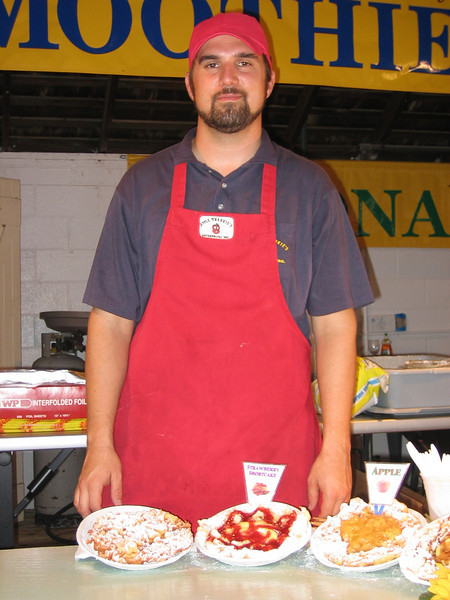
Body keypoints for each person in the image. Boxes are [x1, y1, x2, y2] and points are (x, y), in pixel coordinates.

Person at [74, 11, 373, 527]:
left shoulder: (310, 189)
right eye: (211, 64)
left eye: (245, 63)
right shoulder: (142, 188)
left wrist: (337, 449)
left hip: (277, 468)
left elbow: (335, 324)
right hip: (155, 467)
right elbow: (110, 323)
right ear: (190, 84)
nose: (229, 79)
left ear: (269, 80)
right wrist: (98, 444)